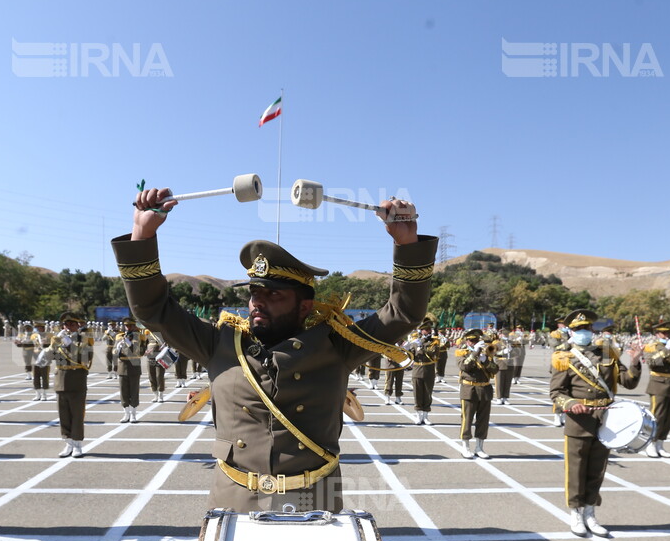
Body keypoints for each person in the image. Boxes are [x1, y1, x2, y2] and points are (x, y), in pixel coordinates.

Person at [116, 185, 433, 512]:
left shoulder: (335, 345)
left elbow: (403, 313)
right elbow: (154, 311)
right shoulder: (219, 343)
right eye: (254, 293)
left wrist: (407, 244)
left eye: (274, 295)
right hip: (233, 502)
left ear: (304, 306)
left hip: (315, 503)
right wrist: (142, 236)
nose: (257, 303)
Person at [550, 309, 641, 537]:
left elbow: (628, 382)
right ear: (571, 331)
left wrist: (636, 361)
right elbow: (556, 392)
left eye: (587, 328)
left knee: (597, 470)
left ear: (593, 330)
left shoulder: (607, 353)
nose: (583, 332)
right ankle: (575, 513)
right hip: (579, 421)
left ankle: (590, 512)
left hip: (606, 420)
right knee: (576, 470)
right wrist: (570, 404)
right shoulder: (564, 356)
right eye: (578, 329)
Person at [42, 312, 94, 457]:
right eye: (66, 324)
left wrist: (68, 342)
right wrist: (51, 346)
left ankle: (77, 444)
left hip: (76, 378)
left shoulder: (85, 339)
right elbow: (49, 357)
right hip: (61, 379)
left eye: (72, 324)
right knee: (63, 414)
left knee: (77, 414)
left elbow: (85, 357)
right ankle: (68, 442)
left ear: (78, 325)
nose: (69, 327)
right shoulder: (57, 339)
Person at [643, 319, 670, 459]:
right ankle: (650, 444)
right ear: (657, 333)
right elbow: (653, 363)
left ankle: (660, 444)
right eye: (663, 333)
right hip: (659, 384)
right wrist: (666, 349)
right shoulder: (651, 346)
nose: (666, 335)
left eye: (668, 333)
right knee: (657, 417)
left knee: (669, 417)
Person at [455, 328, 497, 459]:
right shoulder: (462, 353)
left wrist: (485, 360)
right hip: (469, 390)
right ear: (467, 341)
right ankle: (465, 447)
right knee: (467, 420)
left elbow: (495, 370)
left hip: (484, 390)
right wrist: (474, 354)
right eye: (471, 341)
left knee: (483, 421)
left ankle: (479, 447)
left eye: (476, 340)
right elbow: (464, 367)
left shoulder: (486, 354)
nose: (474, 342)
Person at [405, 316, 441, 424]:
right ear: (421, 331)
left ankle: (426, 416)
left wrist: (422, 347)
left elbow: (434, 353)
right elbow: (411, 356)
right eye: (425, 329)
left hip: (428, 369)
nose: (428, 331)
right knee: (417, 393)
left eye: (429, 329)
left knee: (427, 393)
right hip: (417, 369)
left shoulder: (434, 342)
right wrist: (407, 349)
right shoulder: (415, 342)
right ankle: (418, 415)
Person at [114, 317, 145, 422]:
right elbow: (113, 352)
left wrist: (129, 344)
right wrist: (117, 348)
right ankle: (126, 413)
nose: (128, 328)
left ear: (134, 326)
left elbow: (140, 351)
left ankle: (133, 414)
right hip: (122, 366)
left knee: (134, 391)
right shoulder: (119, 336)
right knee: (124, 391)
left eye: (130, 325)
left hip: (134, 366)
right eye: (126, 326)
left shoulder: (139, 336)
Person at [144, 328, 168, 402]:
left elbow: (167, 344)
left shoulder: (161, 333)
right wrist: (145, 351)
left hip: (160, 358)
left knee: (159, 376)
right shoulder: (147, 333)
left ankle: (161, 395)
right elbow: (144, 345)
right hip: (150, 358)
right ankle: (155, 395)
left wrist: (164, 347)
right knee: (151, 376)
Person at [30, 321, 51, 401]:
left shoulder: (48, 336)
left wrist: (46, 343)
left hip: (45, 359)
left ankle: (44, 395)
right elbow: (31, 345)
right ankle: (37, 394)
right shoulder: (34, 336)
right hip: (35, 358)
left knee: (45, 377)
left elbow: (52, 347)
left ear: (43, 328)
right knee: (36, 377)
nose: (37, 329)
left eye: (39, 327)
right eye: (36, 327)